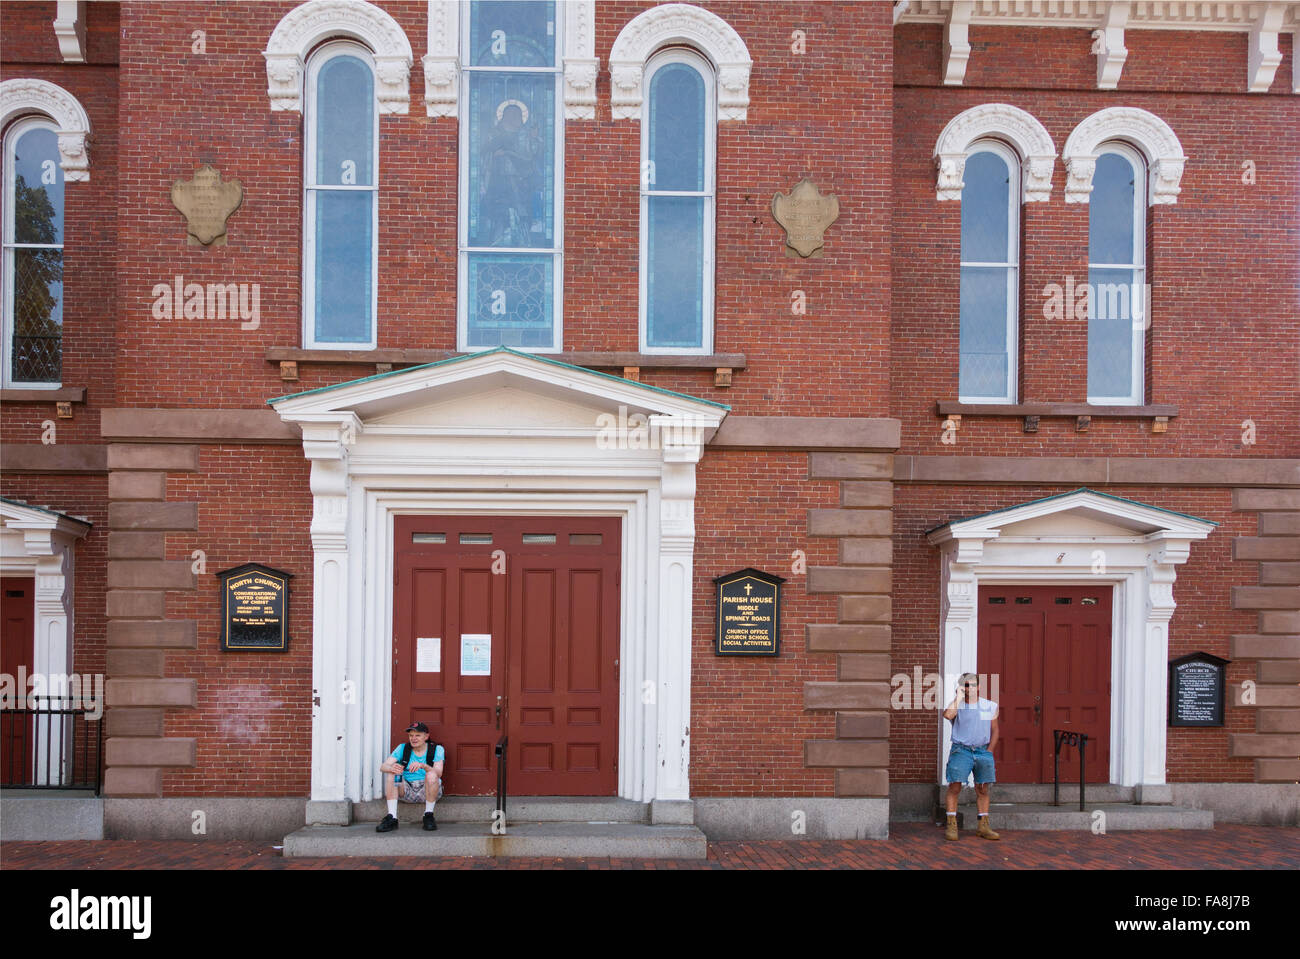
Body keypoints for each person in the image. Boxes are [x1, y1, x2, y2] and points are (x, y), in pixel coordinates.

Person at [942, 673, 1000, 841]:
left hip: (983, 751)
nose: (970, 688)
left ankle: (983, 826)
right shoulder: (957, 706)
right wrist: (958, 697)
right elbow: (947, 715)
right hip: (961, 751)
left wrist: (989, 750)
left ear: (979, 687)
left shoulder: (988, 706)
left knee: (982, 789)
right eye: (966, 685)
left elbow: (995, 729)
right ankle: (951, 825)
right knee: (955, 787)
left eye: (973, 685)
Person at [376, 721, 444, 832]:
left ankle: (428, 815)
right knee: (392, 773)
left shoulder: (437, 749)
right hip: (406, 790)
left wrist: (423, 766)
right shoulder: (403, 748)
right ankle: (392, 817)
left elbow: (438, 772)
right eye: (411, 735)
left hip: (428, 790)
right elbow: (383, 766)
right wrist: (392, 768)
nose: (413, 738)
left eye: (418, 735)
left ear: (426, 736)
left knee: (432, 774)